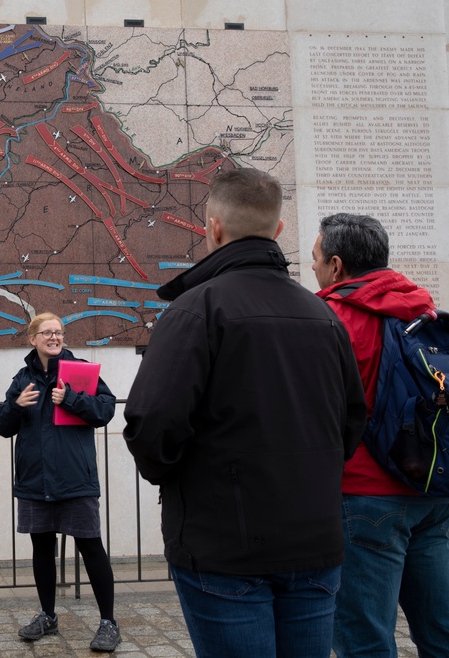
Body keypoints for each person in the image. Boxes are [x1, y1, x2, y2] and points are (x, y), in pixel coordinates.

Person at [122, 168, 367, 658]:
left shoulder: (195, 311)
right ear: (277, 231)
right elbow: (351, 423)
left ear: (212, 227)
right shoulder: (324, 317)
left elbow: (151, 424)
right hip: (314, 543)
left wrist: (180, 479)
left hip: (223, 548)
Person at [312, 212, 449, 658]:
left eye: (314, 259)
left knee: (365, 641)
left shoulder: (330, 320)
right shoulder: (424, 310)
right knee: (441, 633)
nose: (312, 268)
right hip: (433, 490)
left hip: (365, 499)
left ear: (336, 265)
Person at [0, 312, 121, 652]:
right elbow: (1, 426)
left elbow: (106, 411)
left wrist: (73, 400)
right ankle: (47, 616)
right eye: (47, 332)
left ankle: (108, 622)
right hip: (35, 481)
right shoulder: (23, 379)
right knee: (42, 549)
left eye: (59, 332)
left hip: (75, 479)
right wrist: (15, 407)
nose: (54, 337)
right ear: (32, 339)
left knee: (91, 547)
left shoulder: (80, 372)